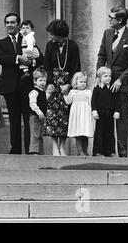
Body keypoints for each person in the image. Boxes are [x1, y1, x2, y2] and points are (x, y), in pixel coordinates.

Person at [0, 13, 43, 154]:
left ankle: (30, 149)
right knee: (14, 118)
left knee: (28, 118)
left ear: (18, 24)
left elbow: (40, 58)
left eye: (12, 22)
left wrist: (31, 61)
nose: (9, 25)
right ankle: (15, 149)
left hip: (27, 86)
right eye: (7, 22)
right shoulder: (1, 43)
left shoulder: (28, 39)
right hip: (10, 87)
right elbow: (1, 58)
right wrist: (18, 58)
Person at [96, 7, 128, 157]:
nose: (109, 20)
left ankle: (122, 154)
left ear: (120, 20)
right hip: (106, 82)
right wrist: (99, 74)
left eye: (111, 18)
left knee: (120, 119)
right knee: (105, 116)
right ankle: (107, 151)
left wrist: (121, 80)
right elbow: (101, 55)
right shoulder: (107, 33)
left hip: (122, 85)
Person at [43, 19, 81, 156]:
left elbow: (76, 66)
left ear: (60, 34)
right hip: (52, 85)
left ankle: (63, 147)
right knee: (52, 116)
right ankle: (54, 147)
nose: (51, 37)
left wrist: (70, 84)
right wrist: (50, 83)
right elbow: (46, 65)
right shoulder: (49, 45)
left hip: (67, 86)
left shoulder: (73, 46)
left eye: (53, 34)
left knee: (65, 116)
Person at [91, 66, 121, 157]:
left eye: (110, 76)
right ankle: (98, 151)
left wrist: (117, 111)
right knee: (99, 132)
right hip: (100, 113)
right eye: (105, 76)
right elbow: (93, 101)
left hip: (110, 114)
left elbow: (117, 100)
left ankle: (110, 151)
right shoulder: (97, 89)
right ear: (99, 78)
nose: (108, 77)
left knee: (110, 133)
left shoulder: (113, 88)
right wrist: (94, 111)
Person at [64, 72, 94, 156]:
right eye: (81, 82)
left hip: (85, 114)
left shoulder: (88, 92)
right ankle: (80, 151)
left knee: (85, 133)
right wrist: (65, 94)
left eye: (84, 82)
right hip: (77, 114)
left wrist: (93, 112)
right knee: (79, 133)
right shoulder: (73, 92)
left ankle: (85, 151)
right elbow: (68, 101)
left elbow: (91, 103)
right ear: (76, 83)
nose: (83, 84)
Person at [28, 68, 48, 155]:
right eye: (40, 80)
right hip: (35, 116)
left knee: (40, 135)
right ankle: (34, 151)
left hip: (42, 117)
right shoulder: (34, 92)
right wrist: (38, 112)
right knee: (35, 134)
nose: (43, 82)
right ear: (35, 81)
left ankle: (40, 151)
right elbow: (32, 104)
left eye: (44, 80)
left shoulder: (43, 92)